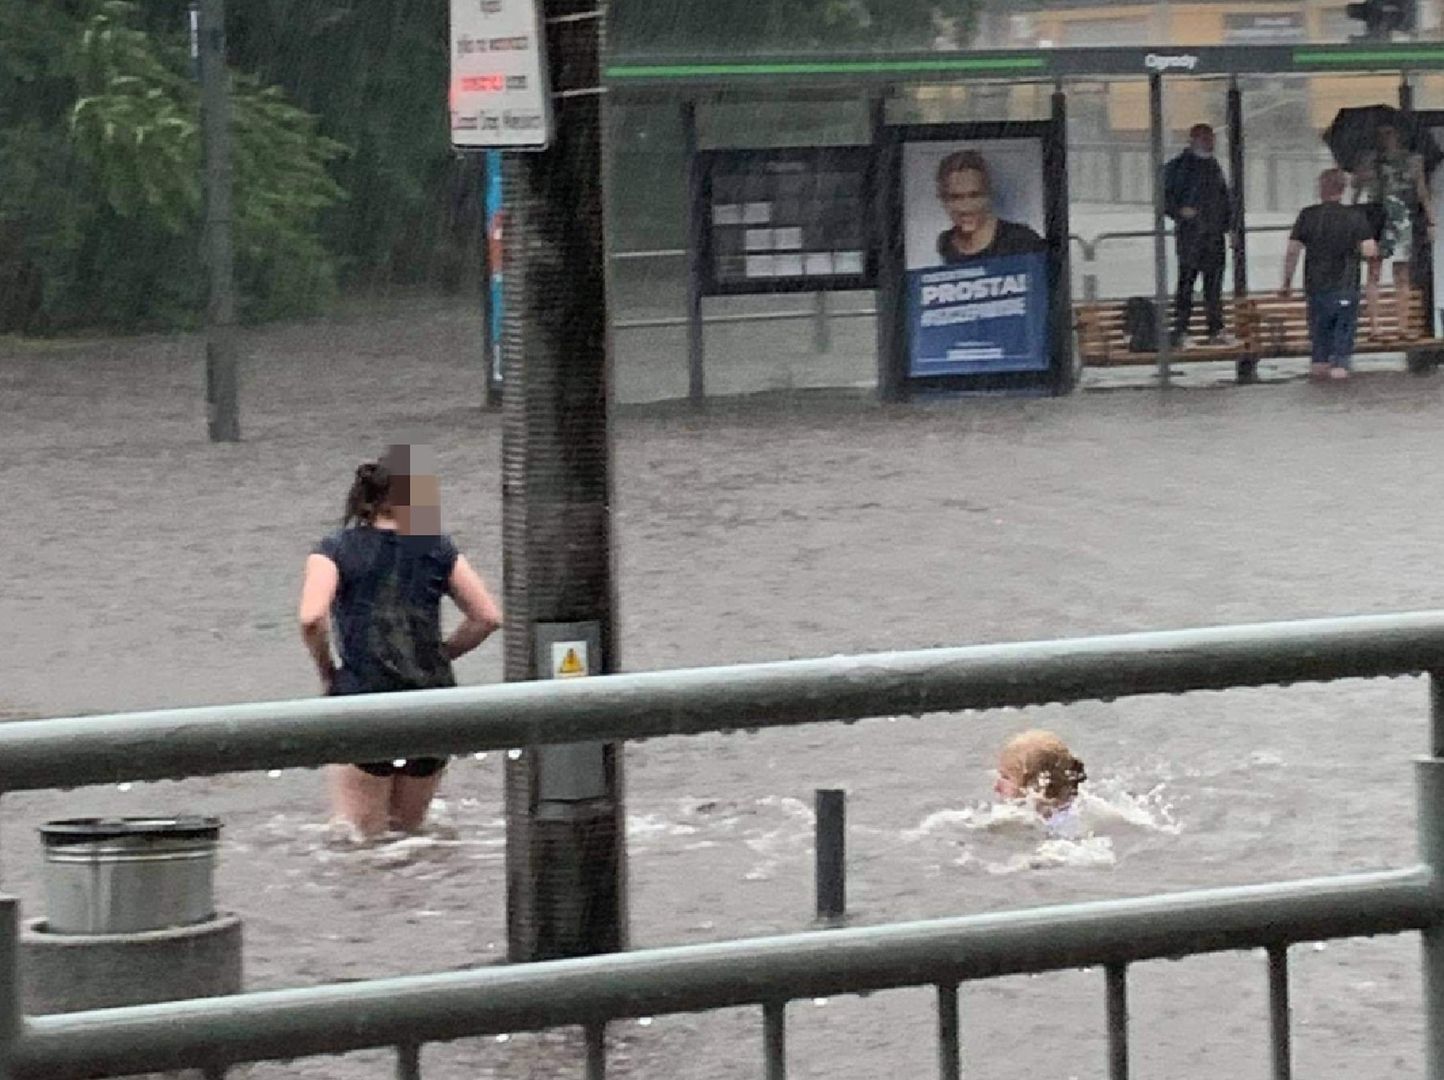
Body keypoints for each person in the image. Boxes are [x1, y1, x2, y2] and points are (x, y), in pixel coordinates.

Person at [298, 444, 503, 841]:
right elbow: (487, 617)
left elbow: (311, 618)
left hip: (364, 700)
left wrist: (328, 673)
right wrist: (439, 655)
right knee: (410, 839)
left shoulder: (335, 549)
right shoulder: (437, 547)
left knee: (361, 842)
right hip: (433, 702)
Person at [1280, 168, 1379, 381]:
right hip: (1346, 286)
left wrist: (1286, 283)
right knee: (1341, 354)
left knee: (1319, 349)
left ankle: (1320, 391)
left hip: (1316, 289)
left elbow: (1292, 252)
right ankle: (1340, 398)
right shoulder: (1355, 216)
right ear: (1343, 189)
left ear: (1321, 188)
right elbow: (1370, 251)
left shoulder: (1307, 215)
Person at [1353, 122, 1435, 340]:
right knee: (1374, 271)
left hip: (1401, 217)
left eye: (1389, 133)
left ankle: (1403, 325)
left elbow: (1421, 191)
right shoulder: (1369, 160)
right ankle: (1375, 327)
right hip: (1377, 217)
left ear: (1398, 135)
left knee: (1402, 273)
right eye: (1381, 134)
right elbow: (1358, 189)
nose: (1385, 138)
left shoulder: (1413, 160)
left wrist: (1430, 221)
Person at [1164, 123, 1235, 348]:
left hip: (1214, 235)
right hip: (1191, 236)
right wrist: (1179, 211)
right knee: (1187, 282)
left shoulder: (1214, 167)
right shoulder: (1178, 167)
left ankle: (1216, 328)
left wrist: (1230, 227)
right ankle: (1182, 330)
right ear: (1193, 139)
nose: (1210, 142)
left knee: (1214, 286)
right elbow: (1164, 199)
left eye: (1211, 138)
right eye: (1205, 138)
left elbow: (1225, 200)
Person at [935, 149, 1046, 265]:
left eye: (974, 196)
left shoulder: (1021, 240)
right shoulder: (946, 243)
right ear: (943, 200)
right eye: (956, 197)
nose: (966, 208)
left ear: (988, 196)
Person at [994, 729, 1086, 822]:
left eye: (1006, 778)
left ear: (1037, 786)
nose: (996, 787)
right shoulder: (1082, 809)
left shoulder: (1061, 824)